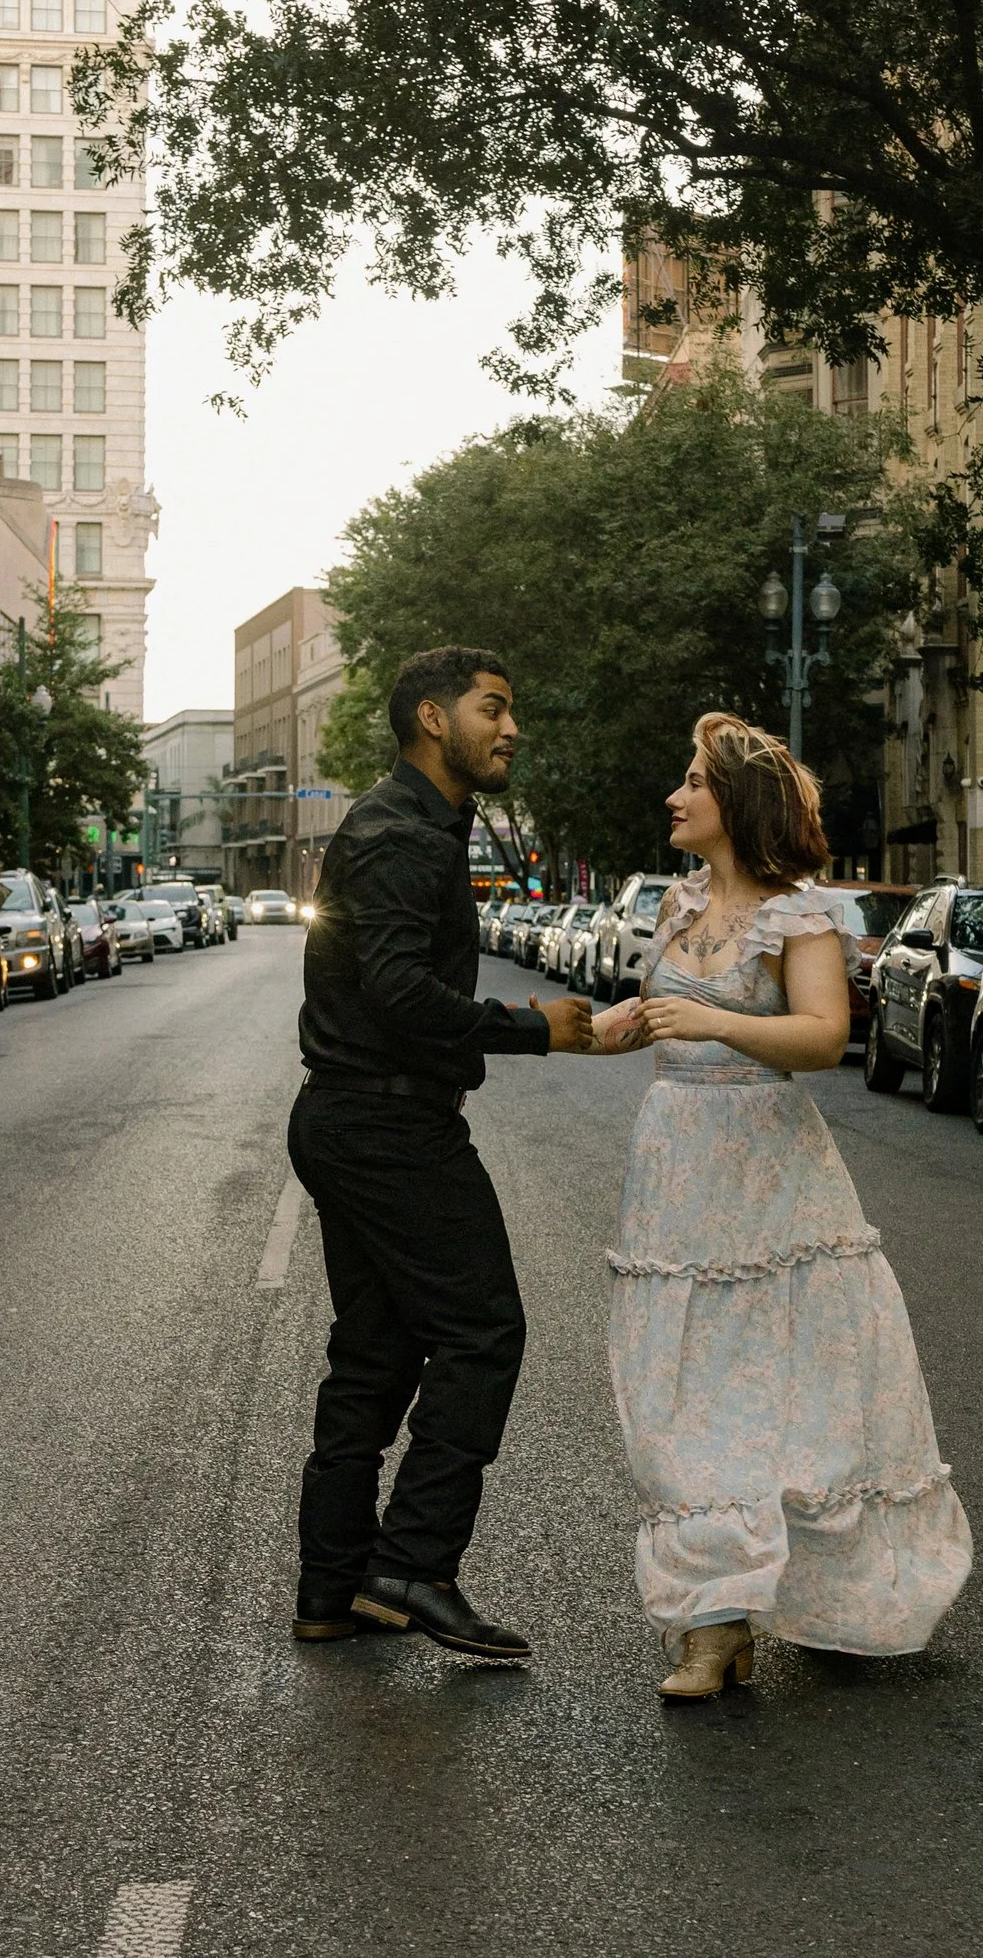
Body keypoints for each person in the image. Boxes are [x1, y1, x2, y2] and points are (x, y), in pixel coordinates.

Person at [593, 712, 973, 1699]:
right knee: (678, 1391)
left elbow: (820, 1037)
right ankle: (712, 1617)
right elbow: (650, 1021)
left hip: (769, 1171)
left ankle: (778, 1611)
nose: (673, 797)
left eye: (691, 782)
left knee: (781, 1386)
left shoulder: (799, 915)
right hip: (675, 1166)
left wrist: (714, 1016)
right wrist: (554, 1031)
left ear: (737, 803)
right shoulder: (678, 905)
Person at [287, 644, 595, 1662]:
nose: (510, 728)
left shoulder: (409, 827)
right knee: (482, 1330)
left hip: (359, 1117)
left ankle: (334, 1585)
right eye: (492, 708)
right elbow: (399, 994)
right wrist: (535, 1025)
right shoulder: (399, 836)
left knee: (375, 1353)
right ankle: (412, 1559)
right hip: (385, 1126)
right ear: (432, 717)